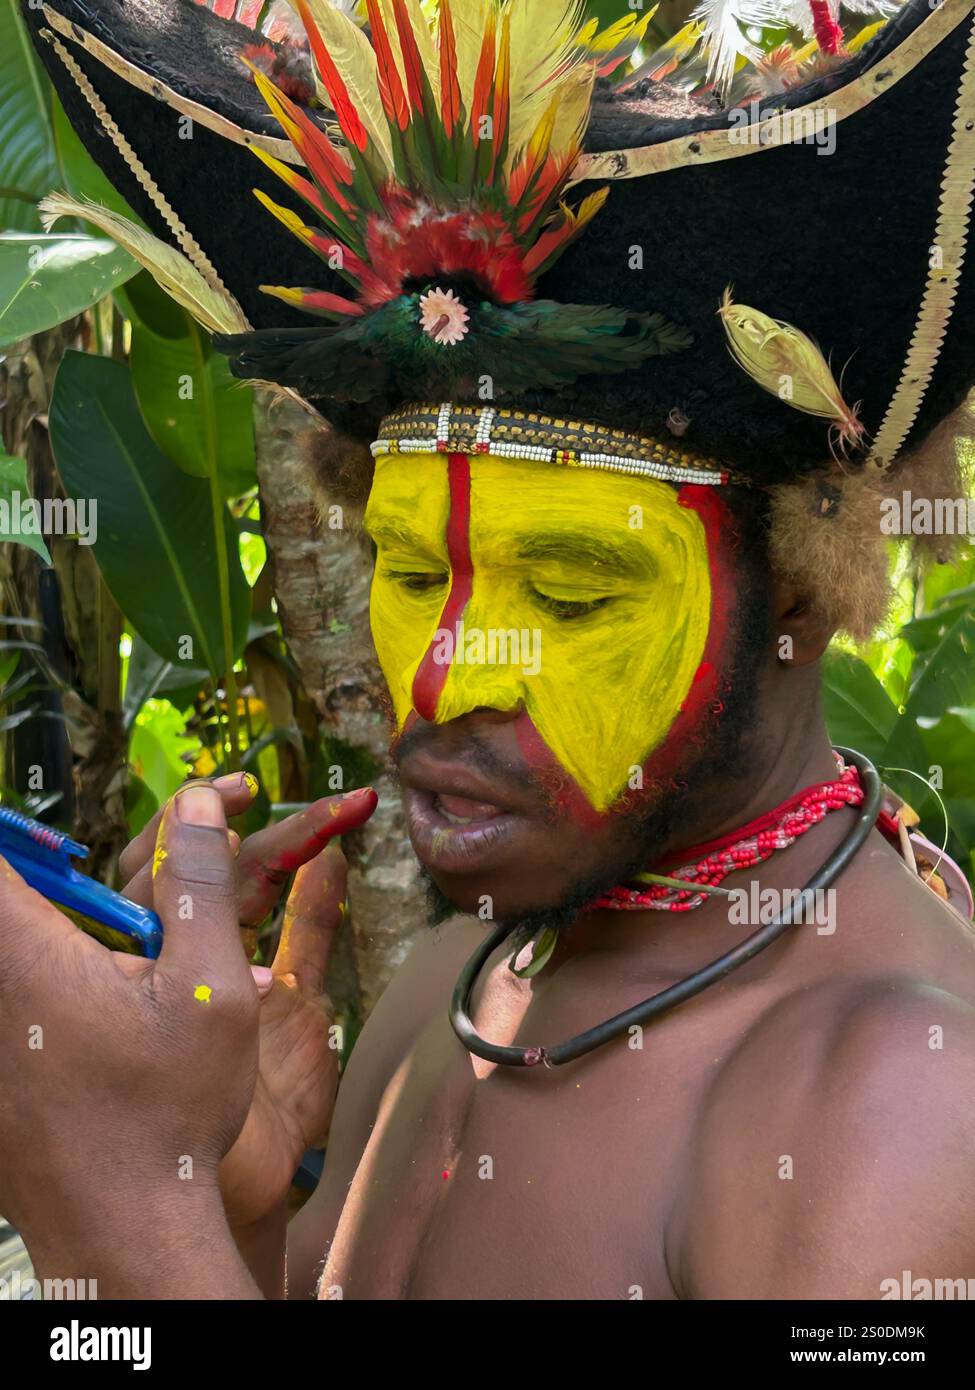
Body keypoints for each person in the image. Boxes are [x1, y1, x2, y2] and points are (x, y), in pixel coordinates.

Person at [4, 0, 975, 1299]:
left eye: (572, 587)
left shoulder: (894, 1119)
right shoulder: (459, 988)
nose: (451, 678)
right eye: (413, 572)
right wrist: (220, 1196)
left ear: (803, 585)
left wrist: (118, 1205)